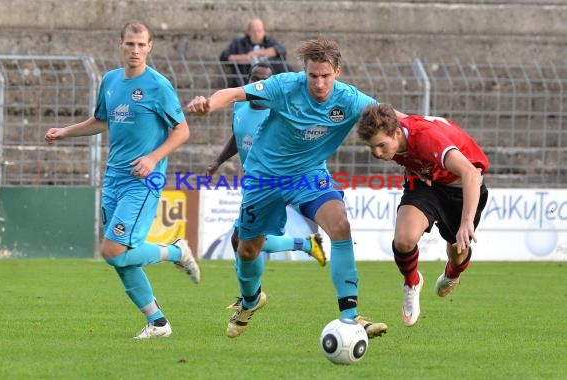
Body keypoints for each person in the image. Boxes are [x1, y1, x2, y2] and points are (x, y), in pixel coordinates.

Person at [189, 37, 399, 339]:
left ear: (337, 72)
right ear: (305, 72)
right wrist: (208, 105)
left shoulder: (349, 99)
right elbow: (234, 93)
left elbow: (393, 119)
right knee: (247, 249)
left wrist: (428, 137)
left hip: (309, 175)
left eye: (325, 76)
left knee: (340, 225)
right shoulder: (284, 86)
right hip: (264, 177)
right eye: (313, 75)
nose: (319, 82)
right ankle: (250, 301)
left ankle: (350, 317)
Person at [45, 20, 201, 339]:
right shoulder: (110, 81)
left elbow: (182, 130)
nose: (135, 49)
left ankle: (176, 251)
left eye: (141, 44)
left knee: (111, 250)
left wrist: (153, 158)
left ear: (149, 47)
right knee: (121, 257)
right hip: (113, 178)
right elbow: (101, 120)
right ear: (120, 44)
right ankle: (158, 323)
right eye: (130, 43)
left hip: (143, 180)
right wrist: (66, 132)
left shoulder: (158, 85)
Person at [356, 103, 490, 327]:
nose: (377, 153)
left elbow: (470, 173)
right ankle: (412, 282)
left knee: (457, 249)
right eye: (372, 148)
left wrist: (466, 222)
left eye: (381, 146)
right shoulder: (391, 126)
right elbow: (377, 107)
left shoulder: (426, 138)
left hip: (461, 186)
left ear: (397, 133)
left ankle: (453, 272)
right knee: (403, 240)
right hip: (424, 183)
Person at [207, 63, 327, 311]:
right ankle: (306, 245)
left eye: (264, 81)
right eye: (255, 79)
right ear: (250, 81)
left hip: (273, 183)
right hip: (252, 182)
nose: (259, 86)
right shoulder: (239, 104)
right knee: (242, 241)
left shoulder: (278, 111)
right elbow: (238, 135)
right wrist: (218, 161)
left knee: (243, 240)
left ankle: (250, 297)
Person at [219, 18, 291, 88]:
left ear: (263, 31)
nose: (256, 33)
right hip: (245, 79)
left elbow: (281, 49)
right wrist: (244, 58)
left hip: (271, 78)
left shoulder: (269, 41)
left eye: (259, 31)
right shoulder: (239, 43)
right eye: (254, 31)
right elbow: (224, 56)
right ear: (249, 32)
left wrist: (256, 53)